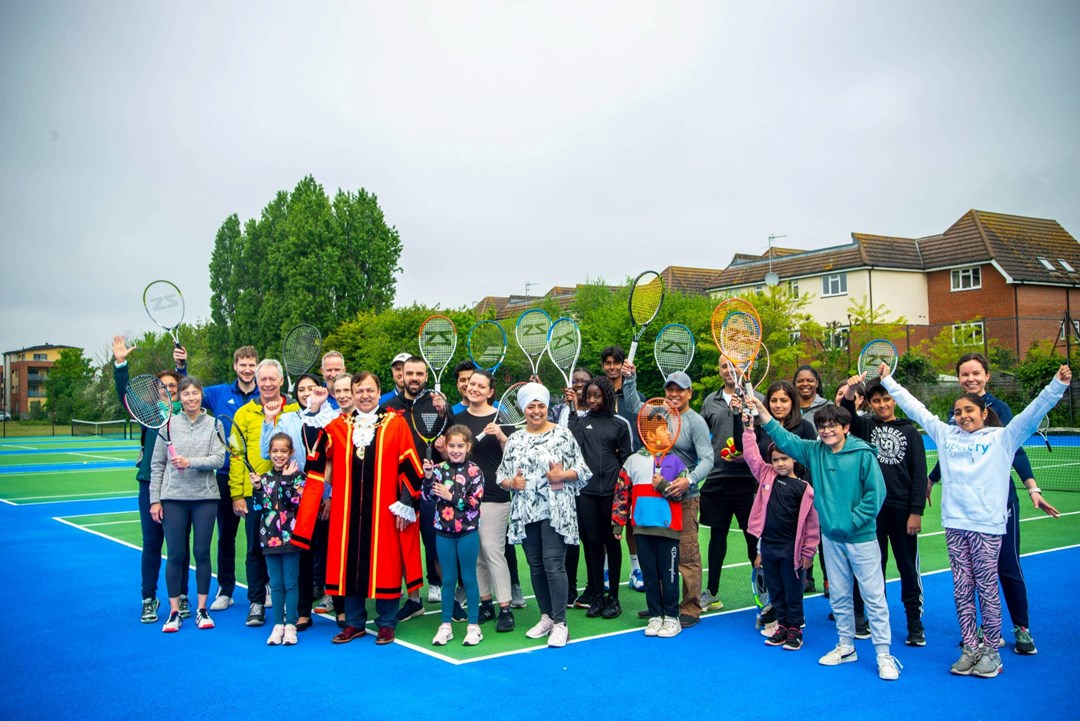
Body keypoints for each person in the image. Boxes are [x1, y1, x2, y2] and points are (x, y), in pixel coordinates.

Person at [879, 362, 1070, 678]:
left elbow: (1034, 412)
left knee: (987, 588)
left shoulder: (1003, 438)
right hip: (955, 525)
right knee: (962, 589)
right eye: (957, 411)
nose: (963, 415)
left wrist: (1057, 384)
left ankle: (992, 651)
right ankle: (970, 647)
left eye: (969, 410)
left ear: (983, 413)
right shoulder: (946, 435)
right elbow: (916, 409)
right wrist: (889, 381)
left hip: (987, 527)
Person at [750, 395, 901, 680]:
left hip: (862, 538)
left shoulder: (863, 454)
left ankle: (883, 654)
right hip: (831, 539)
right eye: (822, 426)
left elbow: (875, 495)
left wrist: (851, 522)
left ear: (846, 427)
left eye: (833, 425)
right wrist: (760, 410)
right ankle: (846, 646)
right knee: (840, 595)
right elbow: (782, 436)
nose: (827, 430)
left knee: (873, 596)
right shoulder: (813, 451)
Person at [929, 352, 1060, 656]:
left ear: (987, 376)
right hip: (964, 512)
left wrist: (1032, 488)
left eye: (976, 373)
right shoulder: (957, 411)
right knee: (969, 577)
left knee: (1007, 566)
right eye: (964, 374)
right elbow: (954, 451)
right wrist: (932, 478)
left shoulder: (999, 409)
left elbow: (1016, 450)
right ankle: (986, 634)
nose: (970, 379)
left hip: (998, 505)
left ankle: (1021, 628)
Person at [303, 371, 426, 645]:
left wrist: (406, 503)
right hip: (347, 513)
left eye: (370, 390)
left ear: (379, 390)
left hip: (385, 509)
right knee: (349, 564)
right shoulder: (340, 425)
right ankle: (355, 623)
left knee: (387, 563)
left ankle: (386, 623)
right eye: (359, 391)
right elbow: (315, 448)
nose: (365, 396)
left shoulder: (396, 422)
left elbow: (410, 463)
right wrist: (314, 410)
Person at [497, 383, 591, 648]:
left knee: (553, 564)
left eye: (541, 406)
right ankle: (547, 617)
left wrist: (562, 475)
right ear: (523, 409)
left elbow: (582, 471)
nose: (536, 411)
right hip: (526, 512)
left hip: (556, 512)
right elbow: (501, 475)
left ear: (547, 407)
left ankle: (561, 624)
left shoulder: (562, 434)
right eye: (531, 406)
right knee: (536, 566)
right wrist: (511, 484)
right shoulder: (515, 439)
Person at [621, 368, 715, 629]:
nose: (674, 394)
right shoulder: (658, 414)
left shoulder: (695, 421)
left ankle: (690, 607)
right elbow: (633, 406)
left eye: (679, 390)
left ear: (689, 393)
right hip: (655, 497)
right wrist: (631, 379)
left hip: (684, 498)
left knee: (686, 554)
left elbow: (708, 458)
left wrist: (690, 480)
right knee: (659, 553)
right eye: (669, 389)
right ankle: (661, 606)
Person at [840, 374, 928, 646]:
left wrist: (916, 511)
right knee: (868, 568)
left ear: (894, 401)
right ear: (870, 403)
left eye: (886, 399)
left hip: (902, 513)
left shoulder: (910, 431)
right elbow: (846, 414)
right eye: (876, 400)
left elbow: (919, 474)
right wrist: (852, 389)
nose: (882, 405)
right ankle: (861, 617)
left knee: (907, 569)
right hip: (871, 512)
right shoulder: (864, 427)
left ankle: (914, 623)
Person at [111, 335, 190, 623]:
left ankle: (181, 596)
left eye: (174, 386)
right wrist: (121, 364)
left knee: (180, 544)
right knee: (153, 543)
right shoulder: (147, 414)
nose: (169, 390)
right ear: (156, 392)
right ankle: (149, 598)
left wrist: (182, 367)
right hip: (151, 484)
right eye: (164, 387)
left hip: (181, 485)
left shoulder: (188, 415)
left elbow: (189, 384)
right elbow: (125, 396)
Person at [733, 379, 817, 635]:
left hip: (792, 544)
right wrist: (747, 428)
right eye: (776, 459)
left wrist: (808, 552)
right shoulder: (766, 474)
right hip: (770, 542)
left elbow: (811, 526)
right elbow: (751, 456)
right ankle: (781, 623)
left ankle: (795, 627)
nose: (780, 463)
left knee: (793, 589)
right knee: (776, 586)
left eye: (784, 459)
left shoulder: (805, 489)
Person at [181, 345, 260, 614]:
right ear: (235, 366)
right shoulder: (218, 394)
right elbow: (190, 393)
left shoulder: (268, 393)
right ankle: (225, 590)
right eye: (243, 364)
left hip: (257, 479)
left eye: (252, 365)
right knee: (226, 537)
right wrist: (182, 368)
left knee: (259, 537)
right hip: (225, 477)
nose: (248, 369)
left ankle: (263, 589)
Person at [258, 373, 335, 632]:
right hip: (297, 500)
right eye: (301, 389)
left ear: (320, 390)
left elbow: (335, 460)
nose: (305, 393)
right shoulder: (289, 417)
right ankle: (301, 611)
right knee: (302, 557)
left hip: (324, 497)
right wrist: (269, 421)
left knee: (331, 551)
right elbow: (267, 450)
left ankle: (338, 603)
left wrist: (330, 495)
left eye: (311, 388)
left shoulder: (332, 416)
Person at [149, 376, 226, 633]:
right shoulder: (167, 425)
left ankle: (202, 609)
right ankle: (173, 612)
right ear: (179, 398)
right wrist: (155, 500)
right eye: (185, 394)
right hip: (173, 499)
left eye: (195, 393)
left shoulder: (215, 424)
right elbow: (157, 465)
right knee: (176, 555)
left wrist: (190, 462)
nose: (190, 398)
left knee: (202, 553)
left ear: (201, 395)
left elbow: (218, 459)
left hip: (205, 498)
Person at [229, 359, 300, 627]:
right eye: (263, 380)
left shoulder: (294, 409)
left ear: (281, 381)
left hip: (291, 495)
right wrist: (238, 493)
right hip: (257, 494)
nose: (268, 384)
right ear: (257, 383)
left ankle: (295, 611)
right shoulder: (243, 414)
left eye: (273, 379)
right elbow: (237, 455)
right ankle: (257, 602)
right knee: (255, 550)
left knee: (293, 549)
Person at [449, 369, 517, 632]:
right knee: (475, 554)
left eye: (480, 386)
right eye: (470, 384)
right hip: (464, 497)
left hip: (494, 494)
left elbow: (513, 454)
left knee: (492, 550)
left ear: (490, 392)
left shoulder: (502, 418)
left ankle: (505, 608)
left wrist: (500, 435)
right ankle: (486, 603)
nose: (473, 388)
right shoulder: (458, 418)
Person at [613, 408, 688, 638]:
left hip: (668, 530)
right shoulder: (633, 461)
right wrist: (618, 522)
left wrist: (664, 486)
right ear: (650, 435)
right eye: (663, 429)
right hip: (642, 530)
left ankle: (672, 617)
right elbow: (622, 493)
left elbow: (684, 494)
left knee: (670, 575)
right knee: (650, 575)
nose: (669, 433)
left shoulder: (676, 462)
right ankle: (656, 616)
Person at [698, 356, 764, 611]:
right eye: (724, 366)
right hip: (717, 479)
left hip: (748, 480)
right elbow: (702, 438)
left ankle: (764, 593)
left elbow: (762, 433)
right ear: (719, 370)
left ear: (742, 369)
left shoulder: (754, 396)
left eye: (733, 366)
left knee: (752, 539)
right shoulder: (709, 402)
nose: (729, 370)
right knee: (717, 537)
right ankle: (712, 592)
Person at [384, 355, 447, 617]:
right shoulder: (387, 408)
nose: (413, 378)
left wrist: (445, 413)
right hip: (399, 489)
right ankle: (413, 600)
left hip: (433, 487)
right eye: (408, 373)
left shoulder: (437, 405)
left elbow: (452, 439)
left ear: (425, 377)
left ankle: (447, 599)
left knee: (437, 547)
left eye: (419, 374)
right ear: (401, 375)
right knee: (404, 546)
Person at [567, 376, 632, 618]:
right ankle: (597, 594)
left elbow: (627, 460)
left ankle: (613, 597)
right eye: (589, 396)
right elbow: (570, 442)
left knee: (611, 542)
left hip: (612, 494)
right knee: (593, 543)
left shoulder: (619, 424)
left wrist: (623, 493)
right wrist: (573, 410)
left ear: (607, 396)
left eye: (597, 395)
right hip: (587, 492)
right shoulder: (581, 422)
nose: (592, 400)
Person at [423, 425, 485, 647]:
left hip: (468, 532)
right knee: (447, 580)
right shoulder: (438, 470)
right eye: (452, 445)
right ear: (446, 447)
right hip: (443, 532)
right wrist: (428, 478)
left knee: (468, 578)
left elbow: (473, 503)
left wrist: (450, 495)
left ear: (468, 446)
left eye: (460, 445)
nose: (456, 450)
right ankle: (445, 625)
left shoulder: (475, 471)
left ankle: (474, 627)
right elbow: (427, 497)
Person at [251, 432, 305, 646]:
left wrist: (287, 480)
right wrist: (256, 489)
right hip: (269, 539)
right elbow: (259, 507)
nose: (279, 455)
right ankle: (278, 624)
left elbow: (293, 503)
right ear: (269, 453)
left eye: (284, 451)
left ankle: (291, 625)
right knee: (275, 584)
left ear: (291, 453)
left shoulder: (299, 477)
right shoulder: (263, 479)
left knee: (291, 583)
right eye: (275, 451)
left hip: (291, 540)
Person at [601, 346, 646, 592]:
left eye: (616, 363)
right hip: (608, 468)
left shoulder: (634, 395)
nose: (612, 367)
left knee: (632, 521)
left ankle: (636, 568)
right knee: (612, 520)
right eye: (607, 363)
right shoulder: (597, 397)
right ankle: (608, 568)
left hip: (633, 464)